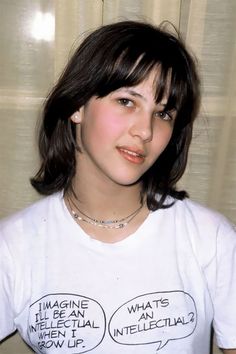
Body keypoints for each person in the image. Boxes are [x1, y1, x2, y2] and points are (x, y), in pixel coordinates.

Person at [0, 20, 235, 354]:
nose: (146, 131)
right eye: (127, 101)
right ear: (77, 105)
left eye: (164, 113)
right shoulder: (13, 247)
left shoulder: (211, 238)